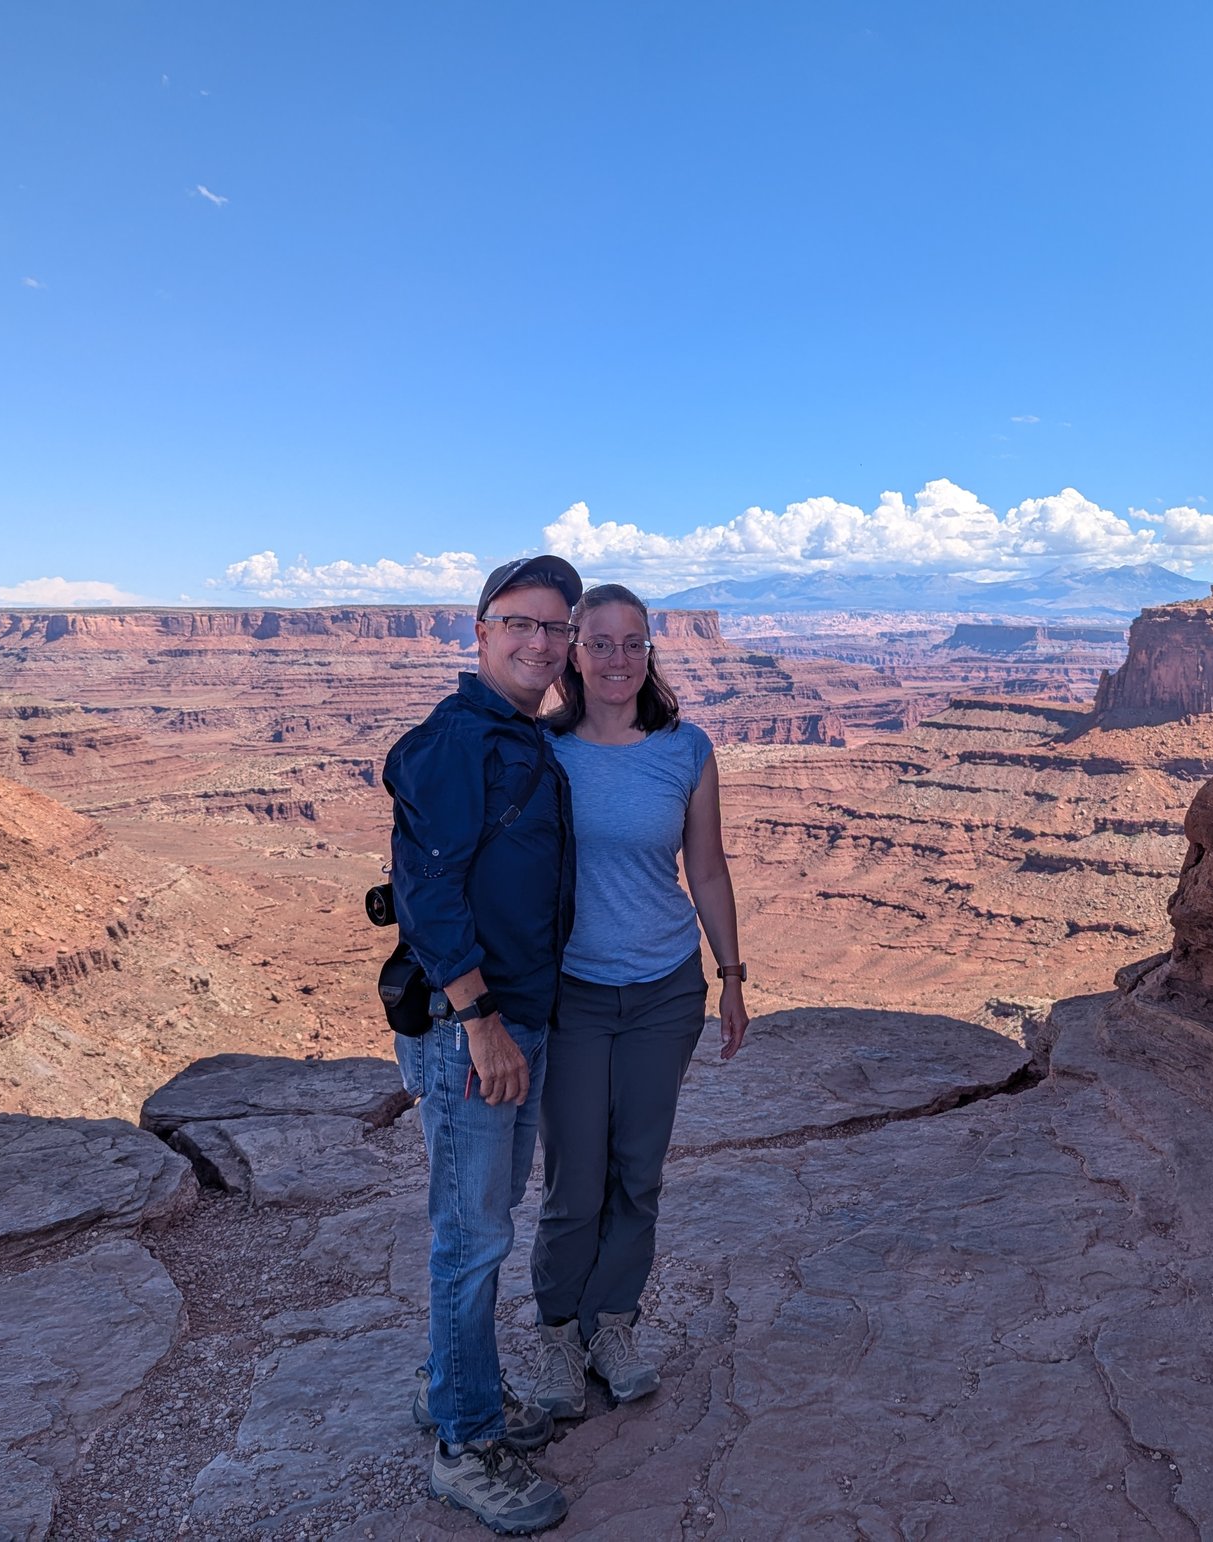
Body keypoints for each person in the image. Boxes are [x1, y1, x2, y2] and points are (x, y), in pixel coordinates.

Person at [382, 553, 583, 1536]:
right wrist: (482, 1023)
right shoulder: (456, 741)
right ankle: (463, 1444)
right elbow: (426, 894)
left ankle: (447, 1384)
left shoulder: (518, 736)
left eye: (557, 628)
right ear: (479, 630)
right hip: (477, 1033)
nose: (540, 644)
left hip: (517, 1021)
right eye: (521, 624)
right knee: (473, 1236)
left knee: (483, 1218)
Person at [528, 582, 751, 1419]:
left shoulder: (686, 749)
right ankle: (556, 1335)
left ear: (650, 653)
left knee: (638, 1175)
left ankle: (611, 1325)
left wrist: (731, 974)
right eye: (600, 642)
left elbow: (709, 867)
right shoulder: (542, 752)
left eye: (634, 643)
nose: (617, 659)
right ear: (573, 652)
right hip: (573, 995)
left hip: (664, 990)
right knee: (573, 1180)